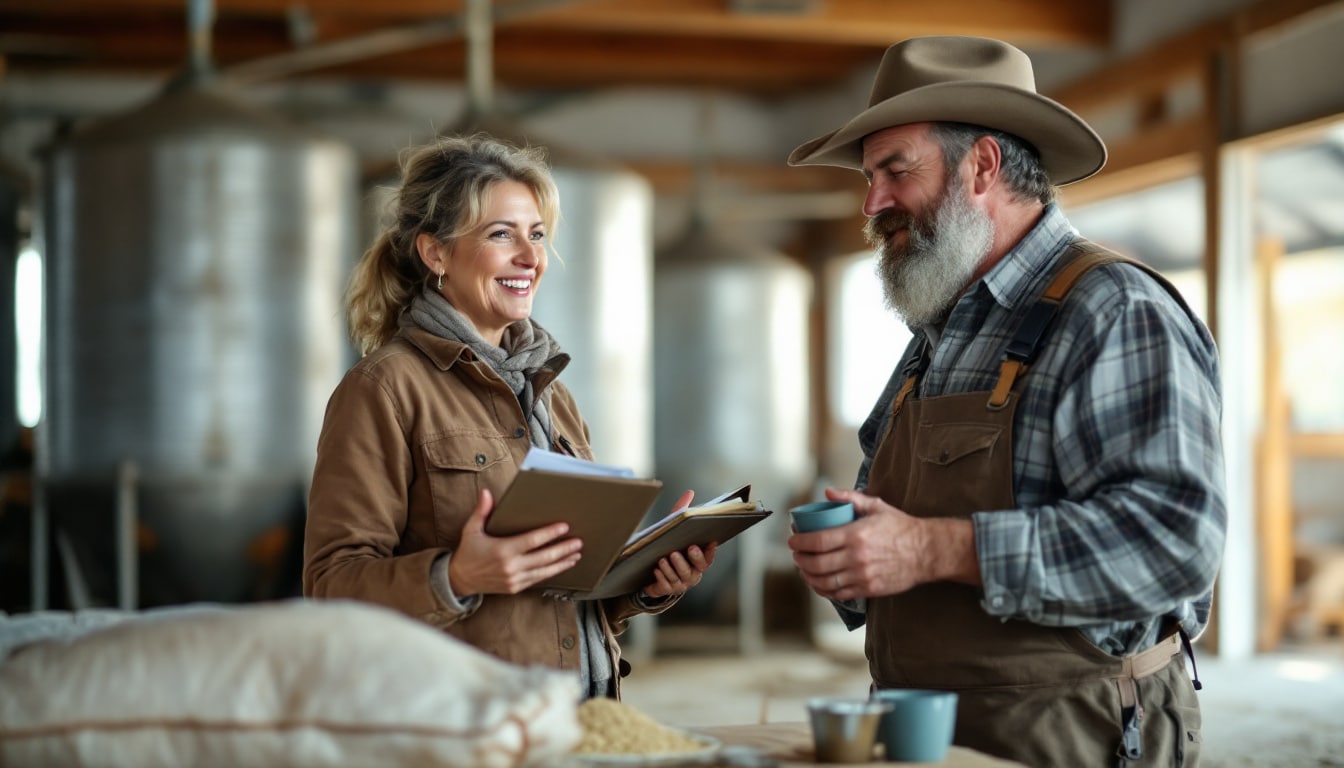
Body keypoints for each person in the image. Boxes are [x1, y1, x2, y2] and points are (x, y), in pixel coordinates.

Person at [785, 36, 1226, 766]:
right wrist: (852, 561)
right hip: (916, 732)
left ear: (983, 166)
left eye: (896, 170)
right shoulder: (941, 326)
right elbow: (890, 516)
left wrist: (932, 549)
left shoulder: (1113, 310)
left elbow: (1172, 543)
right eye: (868, 178)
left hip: (1068, 734)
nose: (872, 204)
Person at [303, 133, 716, 700]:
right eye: (501, 235)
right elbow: (329, 588)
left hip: (581, 714)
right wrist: (456, 578)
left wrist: (645, 580)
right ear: (436, 253)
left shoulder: (551, 393)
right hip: (467, 725)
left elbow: (563, 593)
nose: (531, 257)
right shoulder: (385, 388)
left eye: (537, 235)